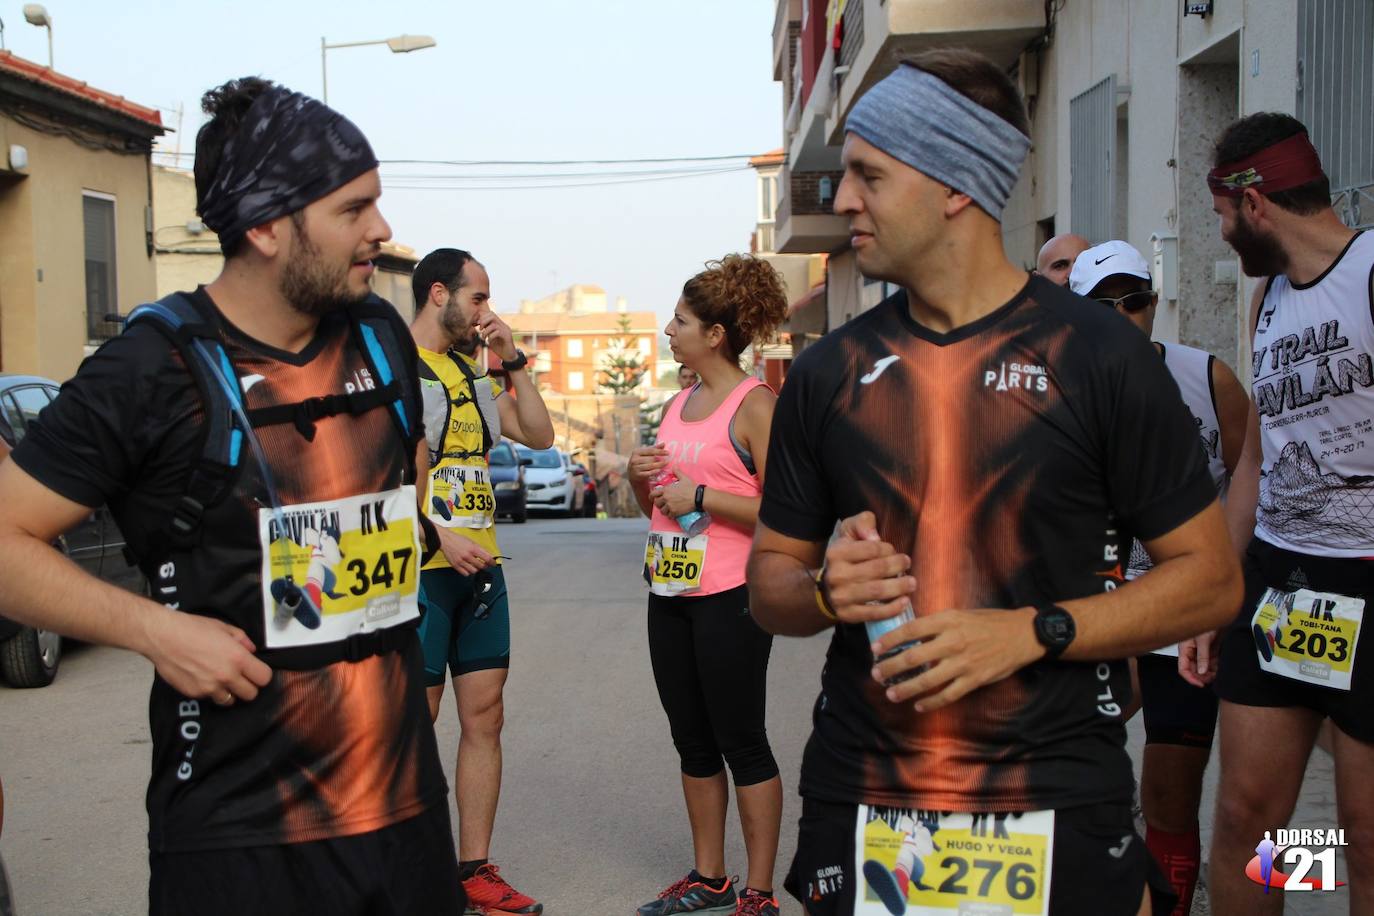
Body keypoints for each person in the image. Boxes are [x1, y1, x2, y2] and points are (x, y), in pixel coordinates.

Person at [745, 49, 1243, 916]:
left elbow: (1210, 580)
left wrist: (1031, 632)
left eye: (869, 174)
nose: (843, 199)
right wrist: (824, 591)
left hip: (1055, 792)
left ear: (955, 185)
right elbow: (768, 587)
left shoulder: (1101, 356)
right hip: (865, 796)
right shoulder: (827, 373)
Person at [0, 78, 465, 914]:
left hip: (405, 819)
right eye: (353, 209)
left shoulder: (383, 337)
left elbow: (399, 499)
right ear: (264, 226)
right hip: (240, 841)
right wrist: (154, 630)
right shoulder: (151, 367)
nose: (383, 231)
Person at [1196, 111, 1374, 915]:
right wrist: (1218, 591)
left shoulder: (1370, 270)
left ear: (1255, 204)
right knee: (1248, 823)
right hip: (1283, 587)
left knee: (1364, 838)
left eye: (1225, 216)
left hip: (1369, 583)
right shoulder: (1269, 301)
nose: (1226, 234)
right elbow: (1255, 464)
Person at [1068, 241, 1250, 916]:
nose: (1125, 317)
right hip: (1108, 613)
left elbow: (1251, 486)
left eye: (1137, 300)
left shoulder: (1209, 378)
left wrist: (1232, 593)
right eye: (1104, 306)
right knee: (1078, 775)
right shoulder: (1060, 390)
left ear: (1154, 301)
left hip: (1198, 617)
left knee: (1196, 800)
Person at [627, 254, 790, 916]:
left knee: (741, 738)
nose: (670, 330)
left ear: (716, 333)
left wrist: (705, 493)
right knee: (690, 739)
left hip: (732, 596)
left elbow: (787, 511)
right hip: (668, 592)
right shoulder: (677, 402)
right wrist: (644, 480)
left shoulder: (757, 406)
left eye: (681, 320)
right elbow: (660, 507)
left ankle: (758, 890)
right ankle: (709, 876)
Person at [409, 248, 554, 915]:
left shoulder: (473, 372)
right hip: (424, 571)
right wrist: (437, 533)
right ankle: (400, 868)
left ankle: (474, 870)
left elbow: (539, 432)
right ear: (440, 294)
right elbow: (388, 467)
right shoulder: (400, 371)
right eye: (479, 298)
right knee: (415, 720)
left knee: (485, 717)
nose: (486, 312)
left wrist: (514, 357)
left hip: (483, 570)